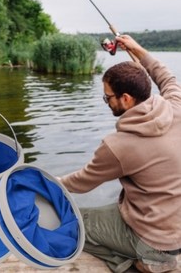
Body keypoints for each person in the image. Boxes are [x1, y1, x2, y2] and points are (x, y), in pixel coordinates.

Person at [59, 35, 181, 273]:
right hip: (175, 228)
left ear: (126, 98)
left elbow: (81, 182)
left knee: (73, 224)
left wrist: (48, 182)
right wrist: (137, 48)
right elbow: (166, 77)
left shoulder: (119, 146)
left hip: (155, 238)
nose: (106, 101)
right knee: (109, 210)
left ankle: (144, 261)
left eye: (107, 97)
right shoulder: (176, 106)